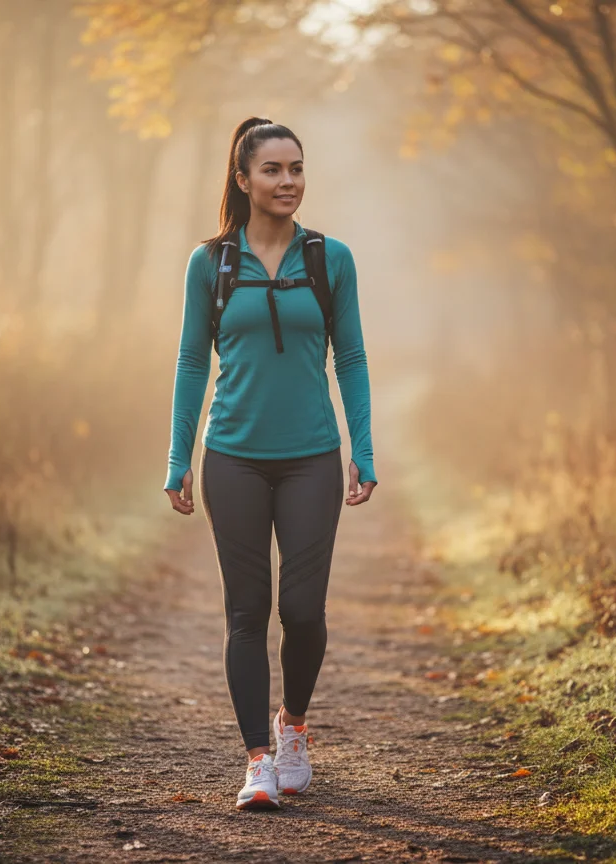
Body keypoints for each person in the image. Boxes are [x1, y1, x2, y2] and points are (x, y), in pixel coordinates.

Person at [163, 117, 378, 811]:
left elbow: (350, 357)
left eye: (296, 168)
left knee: (305, 610)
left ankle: (294, 728)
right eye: (273, 170)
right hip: (233, 459)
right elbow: (194, 360)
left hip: (312, 456)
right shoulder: (211, 264)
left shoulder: (329, 258)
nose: (288, 181)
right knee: (247, 611)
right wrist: (178, 456)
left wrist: (362, 449)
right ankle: (258, 760)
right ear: (243, 179)